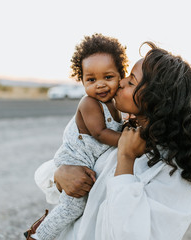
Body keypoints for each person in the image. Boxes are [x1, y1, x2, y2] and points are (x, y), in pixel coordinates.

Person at [29, 42, 191, 240]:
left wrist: (126, 159)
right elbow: (51, 172)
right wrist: (60, 174)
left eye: (131, 81)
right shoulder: (121, 133)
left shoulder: (174, 169)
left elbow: (128, 233)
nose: (121, 82)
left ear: (157, 99)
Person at [24, 33, 129, 240]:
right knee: (73, 208)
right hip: (73, 160)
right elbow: (100, 133)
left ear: (120, 75)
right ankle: (38, 236)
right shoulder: (89, 103)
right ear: (81, 80)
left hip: (87, 160)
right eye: (91, 79)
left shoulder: (117, 105)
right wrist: (128, 142)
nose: (99, 85)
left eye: (108, 77)